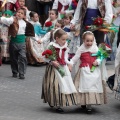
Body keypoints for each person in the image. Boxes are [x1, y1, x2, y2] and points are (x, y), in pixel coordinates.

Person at [69, 31, 107, 113]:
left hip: (94, 71)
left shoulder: (95, 48)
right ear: (83, 40)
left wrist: (97, 61)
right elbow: (75, 57)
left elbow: (100, 57)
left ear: (93, 41)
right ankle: (83, 102)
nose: (89, 43)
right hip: (84, 70)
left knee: (92, 86)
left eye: (91, 41)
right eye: (87, 41)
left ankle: (89, 104)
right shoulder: (81, 49)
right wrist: (71, 64)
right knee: (82, 86)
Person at [41, 28, 77, 113]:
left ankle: (59, 104)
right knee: (54, 85)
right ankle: (53, 101)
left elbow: (65, 57)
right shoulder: (51, 45)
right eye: (63, 39)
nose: (65, 41)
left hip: (62, 67)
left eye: (66, 39)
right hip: (53, 69)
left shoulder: (65, 46)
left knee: (63, 84)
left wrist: (69, 63)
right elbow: (44, 57)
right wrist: (52, 61)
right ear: (57, 38)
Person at [0, 8, 35, 79]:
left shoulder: (26, 22)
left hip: (22, 43)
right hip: (13, 42)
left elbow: (30, 33)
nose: (19, 14)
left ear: (24, 16)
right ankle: (15, 71)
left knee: (22, 57)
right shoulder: (12, 20)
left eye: (21, 13)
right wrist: (2, 16)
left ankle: (21, 73)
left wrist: (37, 39)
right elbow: (4, 20)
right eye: (18, 12)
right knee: (13, 58)